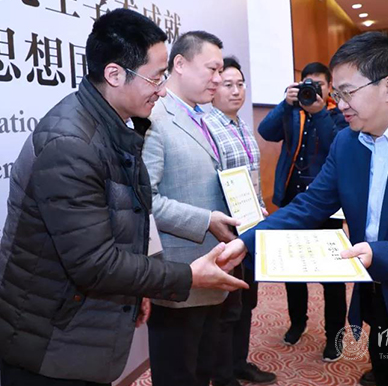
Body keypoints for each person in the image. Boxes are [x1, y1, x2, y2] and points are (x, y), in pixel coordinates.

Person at [0, 9, 247, 386]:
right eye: (156, 77)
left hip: (75, 325)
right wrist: (187, 276)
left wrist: (138, 287)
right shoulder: (70, 144)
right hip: (45, 338)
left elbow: (131, 214)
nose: (162, 89)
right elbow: (93, 263)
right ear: (114, 74)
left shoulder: (113, 124)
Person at [223, 31, 388, 386]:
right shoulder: (347, 144)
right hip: (378, 304)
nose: (340, 104)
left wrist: (379, 255)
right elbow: (309, 205)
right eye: (336, 94)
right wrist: (247, 241)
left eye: (347, 92)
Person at [142, 31, 241, 386]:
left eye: (220, 70)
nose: (218, 78)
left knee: (203, 371)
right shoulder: (155, 117)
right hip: (178, 278)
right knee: (178, 375)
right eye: (212, 69)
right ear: (180, 64)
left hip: (212, 273)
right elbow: (145, 200)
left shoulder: (205, 115)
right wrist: (206, 220)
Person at [258, 61, 348, 361]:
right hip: (293, 202)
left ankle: (335, 335)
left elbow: (338, 146)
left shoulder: (339, 113)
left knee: (332, 276)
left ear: (330, 87)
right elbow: (266, 132)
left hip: (327, 206)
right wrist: (285, 104)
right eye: (307, 84)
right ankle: (298, 323)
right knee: (292, 270)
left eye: (318, 85)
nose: (312, 91)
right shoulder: (292, 111)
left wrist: (319, 112)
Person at [205, 57, 277, 386]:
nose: (236, 91)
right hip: (225, 230)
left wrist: (260, 212)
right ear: (214, 88)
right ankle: (223, 376)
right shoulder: (208, 127)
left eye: (240, 84)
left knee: (247, 300)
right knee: (227, 307)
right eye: (227, 85)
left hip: (250, 227)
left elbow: (252, 180)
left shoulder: (242, 126)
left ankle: (239, 363)